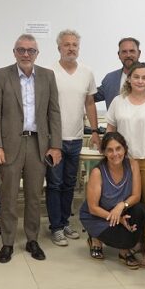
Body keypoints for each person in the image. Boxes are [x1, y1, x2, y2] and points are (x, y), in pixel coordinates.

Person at [0, 33, 62, 263]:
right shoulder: (1, 75)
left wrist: (56, 145)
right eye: (21, 50)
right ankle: (8, 242)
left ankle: (32, 239)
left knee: (33, 195)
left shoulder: (48, 76)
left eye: (31, 50)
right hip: (10, 144)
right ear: (14, 52)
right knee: (8, 195)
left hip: (38, 144)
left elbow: (54, 112)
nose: (26, 54)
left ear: (37, 53)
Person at [47, 29, 101, 246]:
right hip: (55, 139)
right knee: (54, 183)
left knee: (70, 183)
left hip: (76, 137)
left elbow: (90, 103)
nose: (71, 48)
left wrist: (95, 131)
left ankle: (65, 222)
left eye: (75, 45)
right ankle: (56, 227)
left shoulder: (87, 73)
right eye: (67, 45)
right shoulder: (48, 72)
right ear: (59, 47)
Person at [106, 62, 145, 265]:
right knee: (131, 205)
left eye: (144, 78)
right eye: (136, 77)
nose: (140, 81)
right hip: (123, 161)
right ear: (129, 78)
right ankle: (132, 243)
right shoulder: (118, 101)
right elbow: (110, 130)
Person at [79, 132, 145, 267]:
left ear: (124, 149)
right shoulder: (97, 172)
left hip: (119, 211)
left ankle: (124, 250)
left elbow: (136, 196)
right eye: (110, 150)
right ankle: (95, 238)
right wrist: (118, 219)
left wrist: (121, 205)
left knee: (140, 210)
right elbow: (93, 208)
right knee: (118, 236)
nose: (115, 154)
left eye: (118, 149)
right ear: (104, 152)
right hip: (98, 217)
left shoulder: (133, 165)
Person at [94, 37, 142, 110]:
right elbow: (91, 96)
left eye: (132, 51)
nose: (128, 55)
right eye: (124, 52)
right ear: (119, 55)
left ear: (139, 53)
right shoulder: (110, 79)